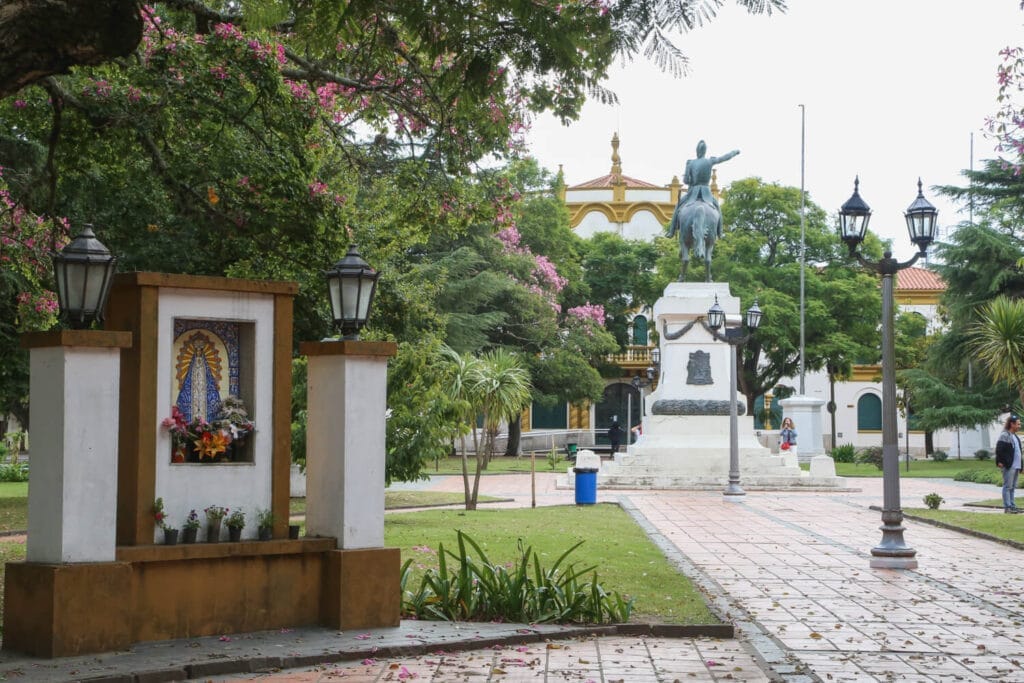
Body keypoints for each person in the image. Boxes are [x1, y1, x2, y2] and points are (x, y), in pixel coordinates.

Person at [995, 414, 1023, 514]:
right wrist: (1000, 461)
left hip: (1016, 466)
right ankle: (1008, 507)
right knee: (1007, 487)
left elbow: (1019, 452)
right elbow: (999, 450)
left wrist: (1021, 466)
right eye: (1018, 424)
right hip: (1009, 466)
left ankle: (1012, 506)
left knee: (1012, 487)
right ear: (1012, 424)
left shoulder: (1015, 436)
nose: (1019, 426)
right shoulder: (1005, 435)